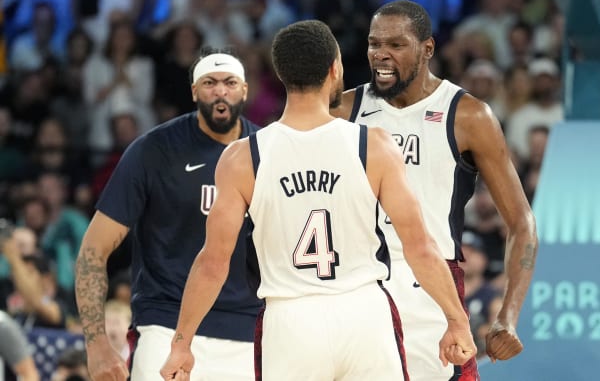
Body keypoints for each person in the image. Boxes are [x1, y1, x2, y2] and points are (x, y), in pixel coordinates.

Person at [159, 20, 476, 381]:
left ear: (280, 75)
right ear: (334, 69)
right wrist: (455, 319)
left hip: (291, 319)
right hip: (363, 314)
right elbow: (420, 248)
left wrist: (181, 344)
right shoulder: (374, 145)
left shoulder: (242, 157)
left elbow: (213, 264)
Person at [331, 0, 537, 380]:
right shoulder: (344, 110)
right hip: (357, 280)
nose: (381, 56)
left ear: (427, 48)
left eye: (396, 45)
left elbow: (522, 222)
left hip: (431, 285)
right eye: (375, 44)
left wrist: (507, 316)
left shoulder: (468, 114)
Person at [75, 47, 263, 380]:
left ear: (245, 89)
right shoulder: (153, 150)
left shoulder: (268, 150)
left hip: (247, 332)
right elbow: (93, 250)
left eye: (230, 82)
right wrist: (96, 344)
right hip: (165, 324)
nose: (220, 91)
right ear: (194, 91)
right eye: (210, 83)